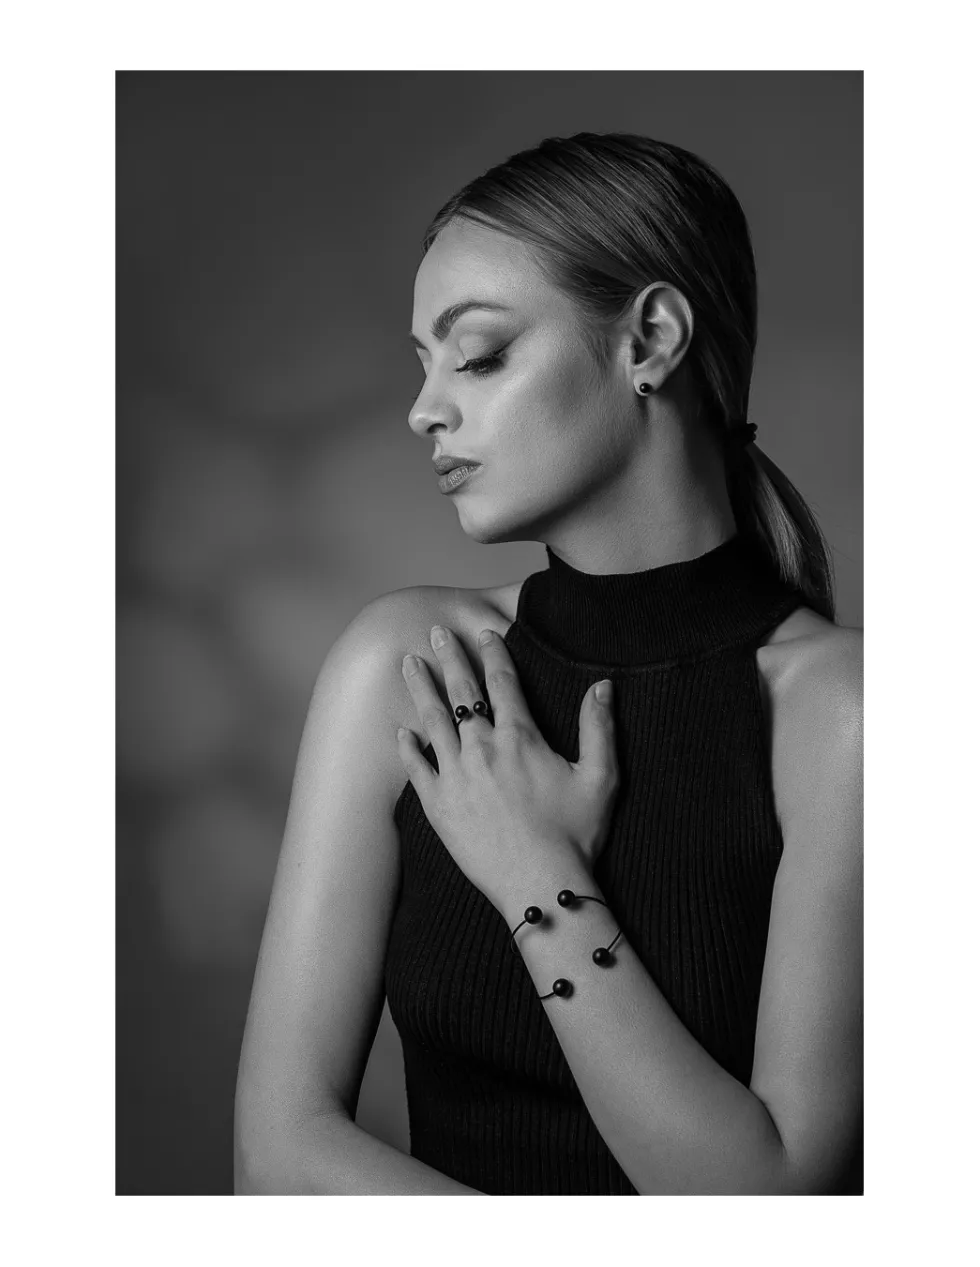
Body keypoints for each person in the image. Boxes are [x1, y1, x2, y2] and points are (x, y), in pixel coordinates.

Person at [234, 132, 862, 1195]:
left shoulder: (844, 715)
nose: (424, 409)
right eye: (423, 363)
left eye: (477, 354)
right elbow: (277, 1159)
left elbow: (763, 1207)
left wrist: (534, 873)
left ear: (649, 339)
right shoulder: (410, 670)